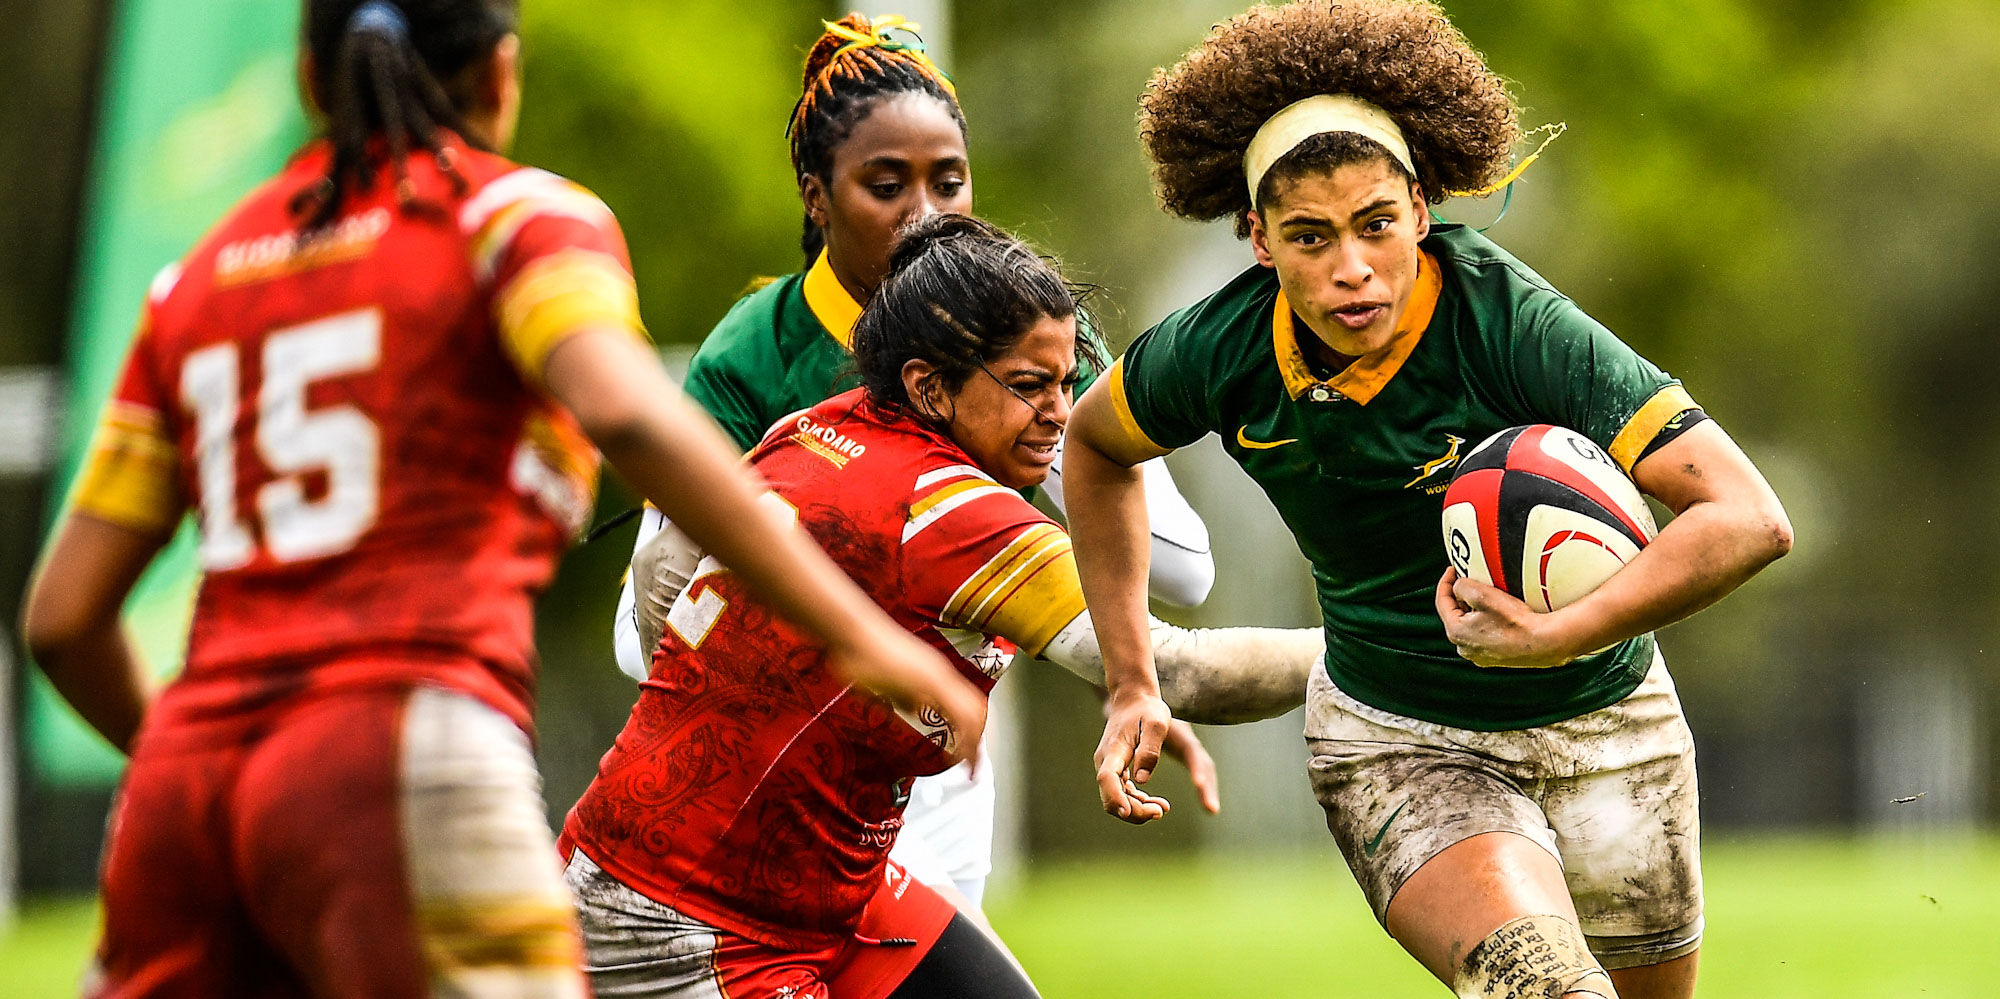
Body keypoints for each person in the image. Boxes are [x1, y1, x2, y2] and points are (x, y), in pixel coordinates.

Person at [18, 2, 983, 996]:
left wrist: (224, 781)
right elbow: (631, 417)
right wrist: (859, 637)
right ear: (500, 74)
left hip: (188, 785)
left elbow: (60, 620)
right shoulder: (515, 221)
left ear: (309, 84)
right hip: (400, 744)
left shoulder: (197, 281)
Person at [1063, 4, 1793, 999]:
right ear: (1258, 239)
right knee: (1548, 991)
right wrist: (1130, 679)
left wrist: (1558, 634)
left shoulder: (1515, 325)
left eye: (1375, 224)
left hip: (1609, 723)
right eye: (1309, 237)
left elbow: (1747, 517)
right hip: (1398, 738)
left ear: (1419, 207)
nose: (1351, 268)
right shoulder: (1217, 350)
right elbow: (1094, 445)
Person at [561, 213, 1319, 999]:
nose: (1061, 412)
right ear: (929, 386)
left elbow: (662, 569)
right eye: (1028, 385)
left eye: (1067, 382)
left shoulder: (811, 428)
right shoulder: (954, 516)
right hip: (679, 922)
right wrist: (1369, 650)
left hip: (801, 883)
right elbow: (1183, 669)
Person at [609, 13, 1220, 915]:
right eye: (886, 185)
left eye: (949, 181)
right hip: (777, 763)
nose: (925, 214)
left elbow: (1186, 570)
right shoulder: (756, 349)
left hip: (938, 756)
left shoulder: (1026, 332)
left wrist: (1043, 426)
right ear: (817, 197)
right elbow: (638, 637)